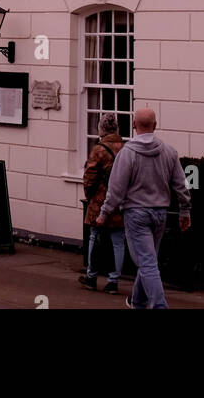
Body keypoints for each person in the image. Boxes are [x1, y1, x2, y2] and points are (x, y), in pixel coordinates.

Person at [96, 107, 190, 309]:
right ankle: (137, 301)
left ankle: (159, 306)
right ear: (155, 126)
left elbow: (116, 188)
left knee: (147, 263)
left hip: (136, 214)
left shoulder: (127, 154)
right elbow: (181, 185)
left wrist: (104, 213)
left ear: (133, 125)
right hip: (160, 213)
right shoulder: (169, 152)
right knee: (148, 259)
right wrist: (184, 211)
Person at [79, 113, 126, 293]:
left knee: (95, 237)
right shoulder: (125, 148)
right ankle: (113, 282)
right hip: (121, 200)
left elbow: (89, 177)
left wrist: (90, 196)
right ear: (116, 128)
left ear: (101, 129)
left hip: (101, 199)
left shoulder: (98, 149)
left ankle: (91, 277)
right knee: (118, 241)